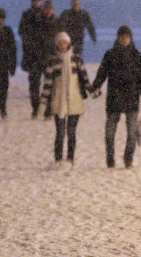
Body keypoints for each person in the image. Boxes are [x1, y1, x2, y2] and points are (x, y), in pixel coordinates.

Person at [90, 25, 141, 169]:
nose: (125, 39)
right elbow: (101, 74)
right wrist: (94, 87)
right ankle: (110, 157)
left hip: (131, 98)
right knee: (109, 133)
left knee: (131, 133)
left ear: (130, 38)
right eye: (122, 36)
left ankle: (128, 159)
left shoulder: (136, 56)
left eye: (127, 36)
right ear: (118, 38)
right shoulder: (110, 55)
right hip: (114, 98)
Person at [37, 32, 96, 168]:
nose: (63, 45)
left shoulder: (76, 60)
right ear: (57, 45)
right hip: (58, 101)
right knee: (60, 132)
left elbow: (84, 79)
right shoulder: (52, 61)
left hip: (75, 100)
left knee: (71, 132)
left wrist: (92, 90)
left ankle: (70, 158)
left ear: (69, 44)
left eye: (65, 43)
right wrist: (43, 103)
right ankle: (58, 159)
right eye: (60, 43)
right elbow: (48, 84)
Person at [18, 0, 46, 118]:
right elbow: (21, 31)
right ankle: (35, 109)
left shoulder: (45, 15)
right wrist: (29, 42)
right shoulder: (27, 14)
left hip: (44, 55)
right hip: (32, 56)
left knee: (48, 84)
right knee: (34, 85)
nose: (37, 3)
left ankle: (46, 109)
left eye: (38, 1)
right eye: (35, 1)